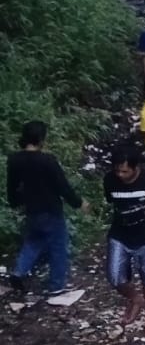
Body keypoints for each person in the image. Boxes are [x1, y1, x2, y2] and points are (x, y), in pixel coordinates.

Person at [6, 121, 90, 295]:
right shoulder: (47, 161)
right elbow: (62, 186)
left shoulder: (14, 160)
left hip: (30, 209)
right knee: (58, 247)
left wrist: (15, 202)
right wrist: (78, 203)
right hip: (51, 209)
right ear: (41, 139)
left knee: (33, 241)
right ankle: (56, 285)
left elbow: (12, 186)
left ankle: (19, 271)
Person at [103, 143, 145, 336]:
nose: (120, 176)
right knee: (114, 276)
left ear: (136, 168)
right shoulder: (109, 180)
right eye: (117, 171)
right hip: (120, 234)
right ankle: (135, 298)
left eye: (124, 171)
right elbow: (112, 203)